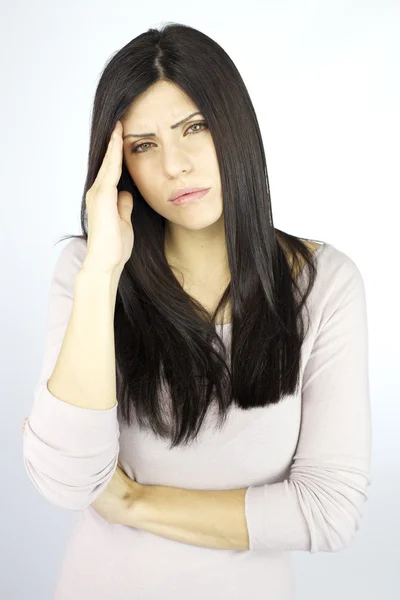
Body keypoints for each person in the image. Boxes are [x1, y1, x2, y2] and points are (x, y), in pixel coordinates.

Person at [22, 22, 372, 600]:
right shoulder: (89, 271)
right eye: (144, 145)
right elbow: (66, 481)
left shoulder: (325, 284)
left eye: (196, 128)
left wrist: (133, 502)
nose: (176, 165)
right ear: (119, 167)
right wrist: (102, 274)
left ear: (235, 129)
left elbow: (328, 511)